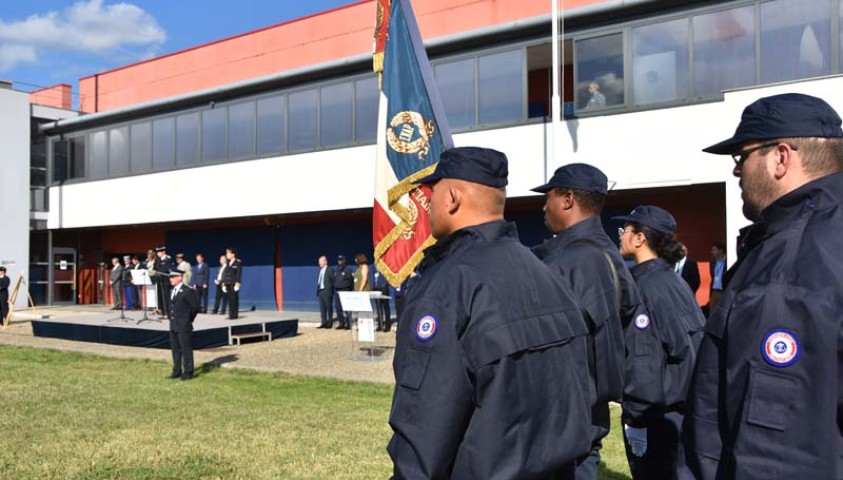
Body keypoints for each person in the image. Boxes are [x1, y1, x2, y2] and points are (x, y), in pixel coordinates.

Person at [388, 147, 592, 478]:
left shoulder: (448, 284)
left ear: (452, 198)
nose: (427, 205)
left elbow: (424, 428)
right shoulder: (546, 272)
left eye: (432, 194)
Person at [681, 93, 843, 479]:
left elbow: (772, 450)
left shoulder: (794, 261)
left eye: (742, 157)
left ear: (780, 157)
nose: (737, 172)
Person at [530, 163, 662, 480]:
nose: (544, 206)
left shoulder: (578, 260)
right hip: (584, 411)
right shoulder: (600, 253)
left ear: (568, 199)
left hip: (564, 416)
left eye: (548, 197)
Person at [614, 205, 706, 479]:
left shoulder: (642, 286)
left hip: (655, 413)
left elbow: (643, 357)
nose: (620, 236)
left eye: (624, 230)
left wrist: (637, 417)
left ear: (639, 238)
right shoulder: (673, 281)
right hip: (681, 408)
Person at [166, 269, 199, 381]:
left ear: (180, 277)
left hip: (183, 325)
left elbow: (195, 307)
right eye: (170, 277)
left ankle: (188, 372)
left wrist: (188, 319)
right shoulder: (172, 290)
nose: (170, 279)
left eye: (173, 277)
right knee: (175, 349)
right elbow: (171, 307)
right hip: (173, 325)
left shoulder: (188, 291)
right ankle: (176, 370)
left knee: (186, 349)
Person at [332, 255, 354, 329]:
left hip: (345, 290)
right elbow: (334, 280)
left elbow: (351, 281)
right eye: (339, 260)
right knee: (338, 308)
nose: (339, 261)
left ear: (344, 260)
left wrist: (350, 290)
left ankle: (348, 323)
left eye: (341, 260)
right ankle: (341, 323)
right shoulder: (336, 270)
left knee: (347, 307)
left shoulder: (348, 270)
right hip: (337, 290)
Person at [221, 247, 242, 319]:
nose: (227, 255)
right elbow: (225, 274)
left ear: (233, 254)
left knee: (234, 299)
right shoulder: (227, 263)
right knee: (229, 300)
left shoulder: (237, 262)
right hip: (228, 284)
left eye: (228, 253)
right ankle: (231, 314)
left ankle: (234, 314)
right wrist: (223, 284)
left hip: (233, 284)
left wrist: (237, 284)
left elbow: (238, 274)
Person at [154, 246, 174, 317]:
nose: (158, 253)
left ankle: (168, 313)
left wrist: (159, 272)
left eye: (159, 252)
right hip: (159, 281)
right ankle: (162, 312)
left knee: (166, 297)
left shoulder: (168, 259)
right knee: (160, 297)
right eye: (157, 252)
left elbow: (168, 269)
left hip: (165, 281)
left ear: (163, 252)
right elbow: (155, 268)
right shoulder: (158, 260)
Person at [315, 255, 334, 329]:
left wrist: (330, 290)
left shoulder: (330, 269)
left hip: (327, 291)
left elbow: (333, 280)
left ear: (325, 262)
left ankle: (330, 322)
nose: (319, 263)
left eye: (320, 262)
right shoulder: (320, 270)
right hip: (320, 291)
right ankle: (323, 322)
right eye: (319, 262)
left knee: (329, 307)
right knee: (322, 308)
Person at [707, 242, 726, 314]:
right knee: (712, 313)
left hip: (723, 291)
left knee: (722, 313)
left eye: (714, 250)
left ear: (720, 251)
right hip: (714, 291)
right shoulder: (713, 263)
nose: (712, 252)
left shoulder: (727, 262)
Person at [372, 268, 392, 332]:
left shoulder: (384, 266)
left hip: (384, 287)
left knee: (386, 307)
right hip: (376, 287)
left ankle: (387, 325)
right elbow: (373, 276)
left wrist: (386, 283)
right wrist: (374, 285)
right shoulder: (374, 267)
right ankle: (380, 325)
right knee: (378, 307)